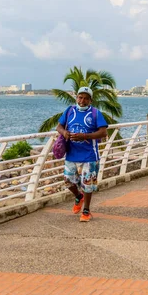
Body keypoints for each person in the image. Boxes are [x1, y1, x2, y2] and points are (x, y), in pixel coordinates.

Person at [56, 87, 108, 222]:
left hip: (89, 155)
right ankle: (78, 196)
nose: (82, 100)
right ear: (76, 97)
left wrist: (85, 136)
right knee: (68, 181)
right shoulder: (70, 111)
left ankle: (86, 210)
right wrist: (64, 133)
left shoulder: (96, 113)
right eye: (80, 97)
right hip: (71, 153)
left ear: (90, 100)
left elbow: (103, 132)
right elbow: (59, 126)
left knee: (88, 183)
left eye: (85, 98)